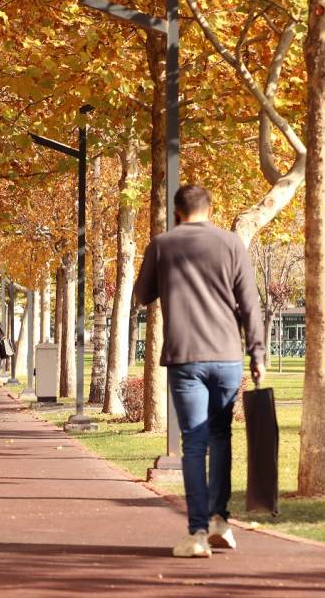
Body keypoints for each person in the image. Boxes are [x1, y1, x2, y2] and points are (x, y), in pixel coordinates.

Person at [133, 184, 265, 558]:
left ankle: (196, 533)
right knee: (222, 437)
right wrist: (257, 352)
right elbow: (250, 304)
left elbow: (143, 294)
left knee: (195, 442)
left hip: (185, 356)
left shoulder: (163, 244)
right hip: (227, 355)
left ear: (176, 212)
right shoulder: (231, 244)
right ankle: (222, 521)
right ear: (211, 208)